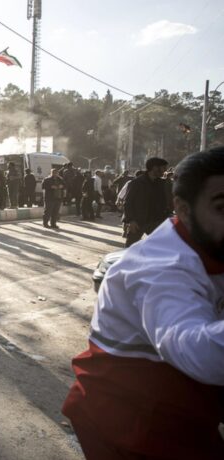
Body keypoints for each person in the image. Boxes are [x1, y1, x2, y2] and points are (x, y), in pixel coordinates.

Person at [61, 148, 224, 459]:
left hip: (183, 404)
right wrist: (132, 222)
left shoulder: (205, 240)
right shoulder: (161, 269)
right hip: (133, 420)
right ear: (185, 209)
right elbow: (192, 347)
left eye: (165, 170)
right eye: (223, 207)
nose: (161, 173)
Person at [123, 157, 170, 247]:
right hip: (138, 222)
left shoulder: (161, 183)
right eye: (163, 168)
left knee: (162, 247)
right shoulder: (137, 182)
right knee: (130, 248)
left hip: (155, 221)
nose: (165, 171)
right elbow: (128, 202)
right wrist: (131, 220)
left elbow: (163, 202)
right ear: (155, 168)